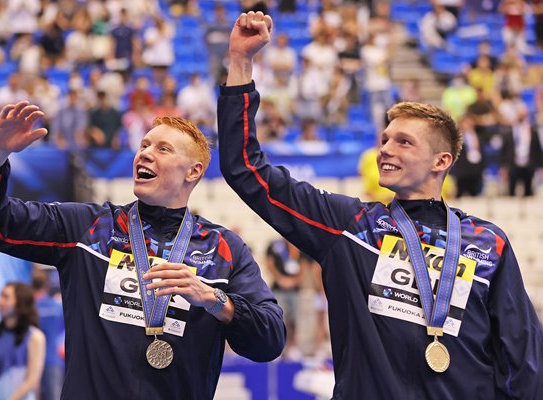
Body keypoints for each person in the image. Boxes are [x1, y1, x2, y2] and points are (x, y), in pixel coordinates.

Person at [218, 12, 543, 399]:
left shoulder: (490, 243)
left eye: (404, 142)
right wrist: (241, 62)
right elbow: (246, 169)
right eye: (384, 140)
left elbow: (522, 359)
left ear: (442, 161)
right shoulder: (350, 226)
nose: (385, 149)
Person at [0, 101, 285, 399]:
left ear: (193, 171)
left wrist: (213, 299)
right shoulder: (88, 228)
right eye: (143, 145)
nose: (144, 153)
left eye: (163, 149)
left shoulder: (223, 252)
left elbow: (269, 340)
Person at [0, 282, 46, 400]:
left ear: (20, 303)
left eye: (6, 297)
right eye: (0, 296)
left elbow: (32, 379)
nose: (0, 301)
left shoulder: (35, 337)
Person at [32, 268, 65, 400]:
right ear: (47, 285)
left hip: (31, 361)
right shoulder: (58, 307)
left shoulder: (29, 308)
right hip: (54, 360)